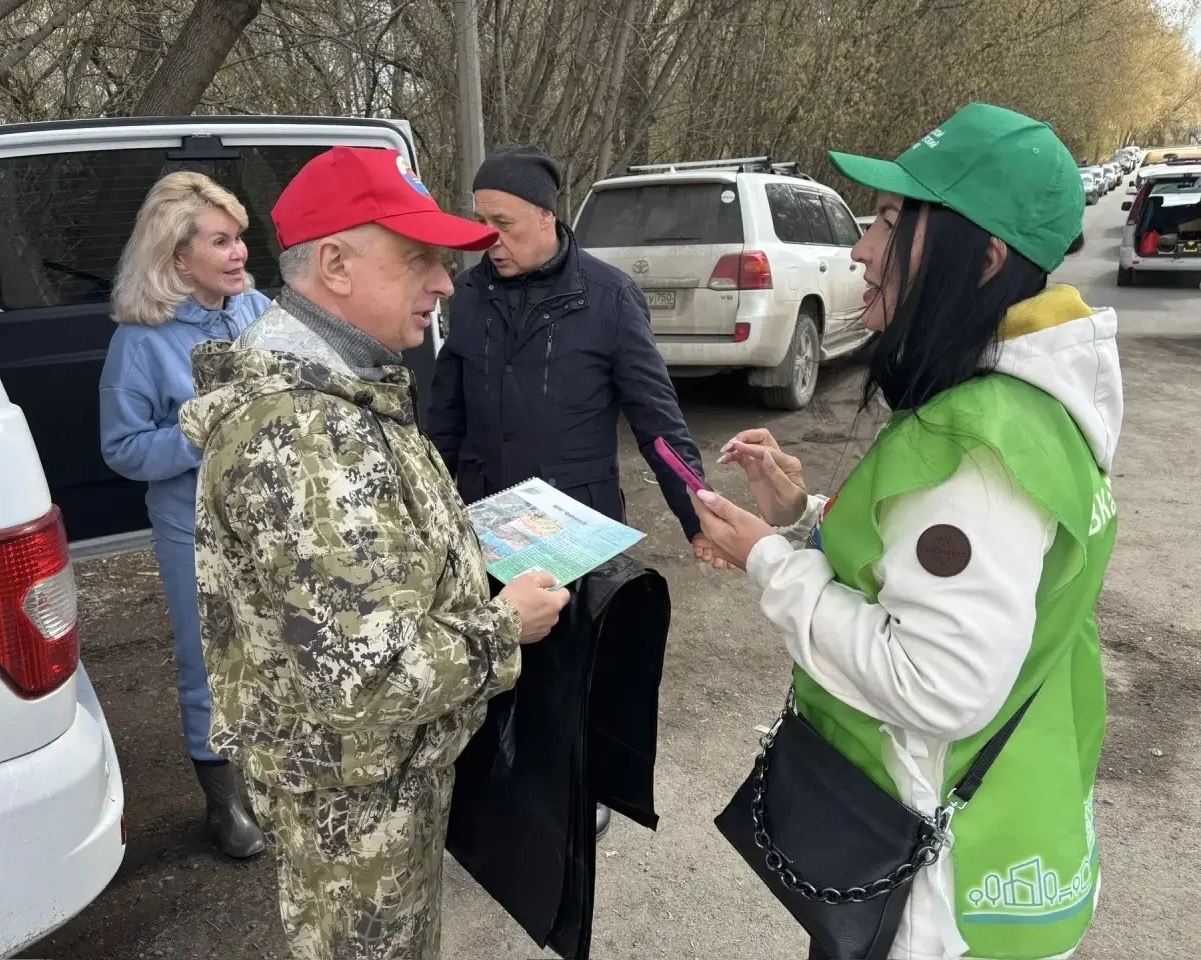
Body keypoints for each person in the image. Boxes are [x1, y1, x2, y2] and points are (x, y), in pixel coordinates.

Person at [691, 103, 1121, 960]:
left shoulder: (977, 450)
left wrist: (770, 562)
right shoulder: (1036, 406)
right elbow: (953, 579)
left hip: (935, 893)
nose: (861, 248)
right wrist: (803, 519)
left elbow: (938, 682)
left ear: (984, 260)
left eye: (891, 221)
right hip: (1013, 822)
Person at [178, 145, 570, 960]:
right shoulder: (304, 432)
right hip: (355, 804)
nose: (445, 283)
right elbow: (369, 678)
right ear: (335, 265)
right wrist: (505, 625)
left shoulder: (341, 390)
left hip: (370, 783)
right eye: (419, 258)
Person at [427, 143, 721, 841]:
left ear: (545, 216)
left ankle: (578, 786)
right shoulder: (470, 296)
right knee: (494, 656)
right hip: (483, 513)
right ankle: (499, 783)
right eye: (480, 222)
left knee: (572, 666)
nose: (489, 239)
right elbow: (444, 417)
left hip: (574, 524)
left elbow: (657, 420)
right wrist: (429, 506)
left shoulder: (608, 296)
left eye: (503, 223)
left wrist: (699, 513)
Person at [99, 171, 270, 858]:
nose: (239, 253)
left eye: (240, 239)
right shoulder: (140, 340)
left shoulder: (257, 309)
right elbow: (121, 447)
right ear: (177, 255)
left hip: (269, 511)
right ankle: (224, 805)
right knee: (210, 655)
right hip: (193, 522)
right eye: (221, 242)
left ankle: (275, 774)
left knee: (276, 641)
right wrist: (197, 435)